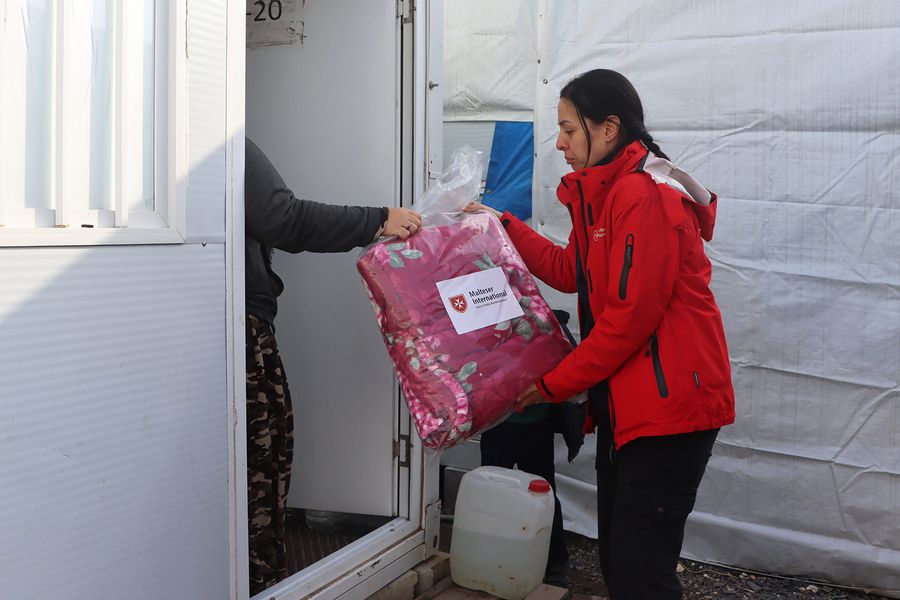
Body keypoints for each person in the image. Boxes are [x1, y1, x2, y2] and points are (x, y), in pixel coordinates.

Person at [467, 69, 735, 599]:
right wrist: (501, 224)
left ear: (608, 129)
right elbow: (573, 271)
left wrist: (550, 385)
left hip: (670, 410)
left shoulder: (645, 196)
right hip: (630, 406)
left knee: (641, 573)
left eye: (568, 129)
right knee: (622, 564)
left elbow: (627, 323)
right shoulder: (606, 194)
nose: (561, 143)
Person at [244, 138, 422, 595]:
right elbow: (282, 217)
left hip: (219, 329)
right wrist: (379, 219)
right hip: (243, 335)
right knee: (259, 471)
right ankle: (258, 582)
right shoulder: (223, 140)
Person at [478, 309, 584, 588]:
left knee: (542, 494)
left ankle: (554, 563)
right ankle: (498, 559)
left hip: (530, 426)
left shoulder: (542, 324)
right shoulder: (493, 323)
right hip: (503, 425)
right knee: (498, 493)